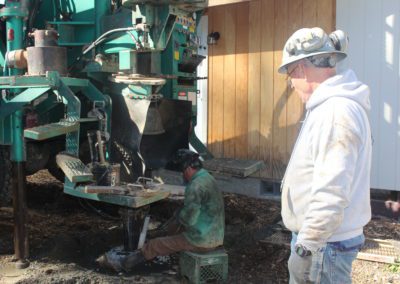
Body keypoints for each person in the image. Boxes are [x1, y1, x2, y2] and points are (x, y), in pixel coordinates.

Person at [278, 27, 372, 283]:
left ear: (300, 70)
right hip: (326, 243)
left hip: (324, 246)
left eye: (290, 76)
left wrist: (306, 246)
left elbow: (331, 191)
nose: (292, 85)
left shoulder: (335, 113)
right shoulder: (334, 107)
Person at [97, 148, 225, 272]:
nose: (183, 175)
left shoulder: (195, 186)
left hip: (200, 241)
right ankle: (160, 235)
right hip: (215, 236)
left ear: (188, 168)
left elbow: (189, 219)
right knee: (178, 217)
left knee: (155, 245)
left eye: (183, 171)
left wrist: (177, 220)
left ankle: (123, 264)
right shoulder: (207, 177)